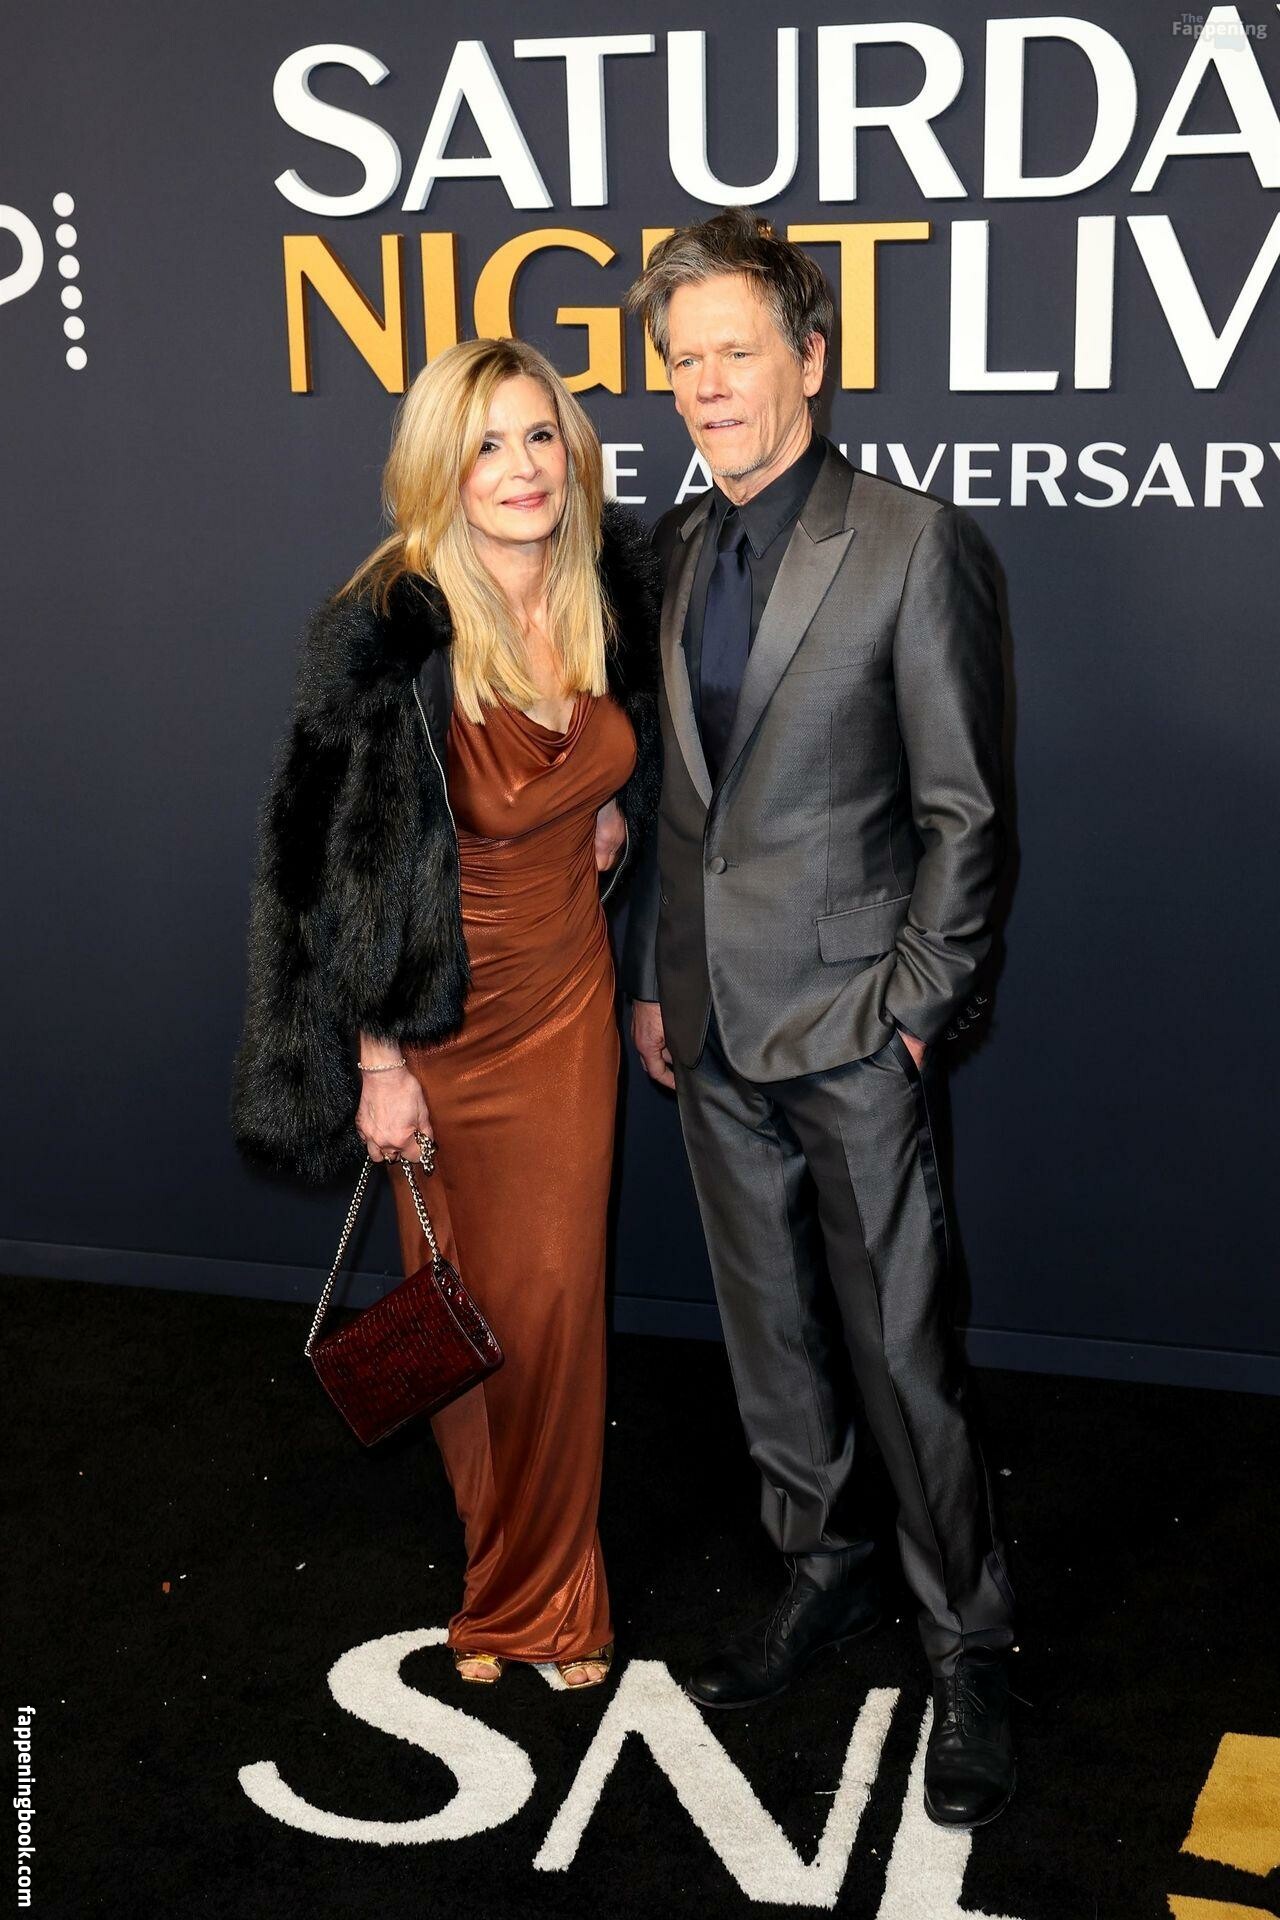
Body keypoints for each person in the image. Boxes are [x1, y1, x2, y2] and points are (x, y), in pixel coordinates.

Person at [622, 209, 1018, 1825]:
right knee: (771, 1341)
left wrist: (913, 1014)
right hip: (709, 1026)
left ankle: (969, 1644)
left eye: (736, 352)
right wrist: (657, 976)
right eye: (683, 361)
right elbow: (681, 802)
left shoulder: (912, 543)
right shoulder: (672, 547)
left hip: (855, 1028)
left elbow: (965, 813)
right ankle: (824, 1570)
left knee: (904, 1355)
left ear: (812, 358)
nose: (708, 385)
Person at [231, 336, 661, 1688]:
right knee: (459, 1305)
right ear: (440, 468)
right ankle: (503, 1573)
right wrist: (379, 1061)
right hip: (439, 1028)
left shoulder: (604, 594)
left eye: (540, 436)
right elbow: (334, 873)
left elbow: (617, 756)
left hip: (566, 1002)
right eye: (487, 444)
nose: (521, 468)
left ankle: (548, 1594)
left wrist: (605, 809)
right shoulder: (388, 628)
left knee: (553, 1306)